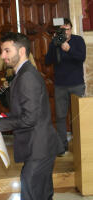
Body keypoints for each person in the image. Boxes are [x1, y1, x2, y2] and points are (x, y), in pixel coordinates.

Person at [0, 32, 62, 200]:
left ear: (21, 51)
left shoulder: (27, 76)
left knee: (32, 194)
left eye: (7, 51)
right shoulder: (23, 73)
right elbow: (25, 111)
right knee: (42, 194)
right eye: (2, 51)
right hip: (39, 146)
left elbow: (30, 118)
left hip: (38, 147)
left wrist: (1, 124)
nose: (2, 56)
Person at [45, 18, 86, 155]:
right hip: (60, 86)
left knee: (78, 116)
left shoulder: (78, 40)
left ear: (71, 29)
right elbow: (47, 61)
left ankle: (80, 145)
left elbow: (81, 57)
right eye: (62, 29)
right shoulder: (55, 42)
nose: (65, 32)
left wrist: (69, 50)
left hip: (77, 85)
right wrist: (53, 45)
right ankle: (62, 146)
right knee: (61, 117)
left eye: (67, 29)